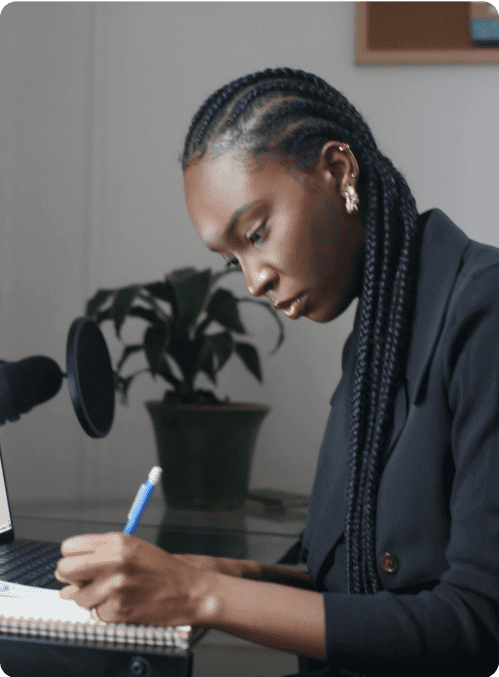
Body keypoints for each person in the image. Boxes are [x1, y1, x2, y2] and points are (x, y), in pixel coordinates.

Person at [54, 68, 499, 677]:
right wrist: (213, 573)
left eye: (257, 233)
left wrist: (199, 595)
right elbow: (354, 588)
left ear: (340, 172)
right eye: (232, 258)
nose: (254, 280)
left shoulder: (485, 313)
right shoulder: (377, 338)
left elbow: (474, 627)